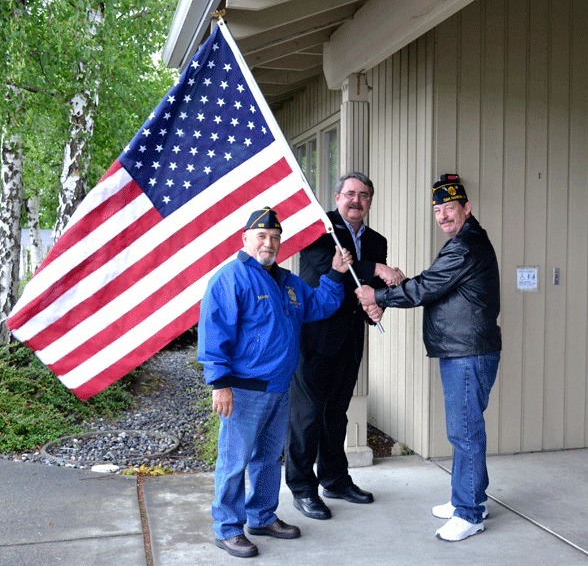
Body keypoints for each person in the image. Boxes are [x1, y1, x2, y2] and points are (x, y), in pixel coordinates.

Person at [197, 206, 353, 559]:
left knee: (268, 459)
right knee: (234, 462)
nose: (269, 242)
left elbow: (320, 305)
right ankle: (227, 528)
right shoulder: (230, 279)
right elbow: (213, 334)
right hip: (242, 391)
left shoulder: (288, 282)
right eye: (262, 236)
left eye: (275, 237)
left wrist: (336, 272)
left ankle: (262, 517)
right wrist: (219, 383)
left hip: (279, 389)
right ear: (245, 239)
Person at [355, 174, 502, 542]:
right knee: (466, 430)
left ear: (466, 209)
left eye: (449, 208)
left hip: (467, 353)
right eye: (437, 210)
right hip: (463, 350)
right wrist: (394, 288)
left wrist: (379, 296)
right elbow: (434, 280)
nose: (442, 216)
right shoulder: (463, 242)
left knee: (465, 432)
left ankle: (469, 513)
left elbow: (428, 287)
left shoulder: (465, 245)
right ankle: (469, 500)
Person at [285, 172, 405, 521]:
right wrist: (378, 268)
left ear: (370, 202)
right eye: (350, 193)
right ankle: (303, 489)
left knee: (336, 415)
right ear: (337, 197)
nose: (356, 200)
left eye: (364, 195)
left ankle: (335, 479)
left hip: (350, 341)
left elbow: (365, 287)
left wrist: (376, 307)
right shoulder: (320, 230)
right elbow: (327, 268)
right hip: (314, 337)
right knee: (305, 418)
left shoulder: (378, 240)